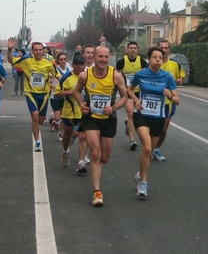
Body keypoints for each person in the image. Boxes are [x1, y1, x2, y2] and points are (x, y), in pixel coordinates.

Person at [74, 46, 128, 207]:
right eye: (100, 57)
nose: (104, 59)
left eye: (106, 57)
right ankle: (97, 192)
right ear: (94, 57)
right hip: (91, 118)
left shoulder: (116, 76)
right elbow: (76, 92)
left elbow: (125, 97)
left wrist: (114, 107)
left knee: (104, 157)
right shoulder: (85, 75)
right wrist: (81, 104)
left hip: (108, 119)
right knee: (96, 154)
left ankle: (95, 156)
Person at [128, 47, 180, 197]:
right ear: (149, 59)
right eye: (155, 57)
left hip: (158, 117)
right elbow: (130, 89)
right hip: (142, 115)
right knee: (147, 147)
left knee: (149, 153)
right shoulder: (141, 74)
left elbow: (177, 100)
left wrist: (170, 96)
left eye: (160, 58)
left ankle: (139, 174)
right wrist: (136, 100)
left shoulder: (167, 77)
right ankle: (143, 182)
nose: (158, 60)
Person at [7, 38, 59, 152]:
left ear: (44, 51)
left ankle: (41, 122)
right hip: (31, 93)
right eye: (36, 50)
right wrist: (10, 49)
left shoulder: (48, 64)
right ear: (32, 51)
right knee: (35, 117)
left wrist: (66, 85)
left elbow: (58, 75)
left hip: (44, 94)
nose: (38, 52)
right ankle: (37, 141)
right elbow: (11, 61)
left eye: (40, 50)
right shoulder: (26, 61)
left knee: (40, 120)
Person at [152, 39, 186, 161]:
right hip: (154, 100)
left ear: (169, 50)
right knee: (153, 127)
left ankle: (155, 148)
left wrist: (179, 81)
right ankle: (149, 147)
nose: (164, 50)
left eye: (166, 48)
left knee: (164, 128)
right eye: (162, 47)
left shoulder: (175, 64)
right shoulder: (152, 64)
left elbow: (180, 77)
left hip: (168, 102)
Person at [54, 55, 86, 169]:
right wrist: (70, 92)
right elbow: (57, 93)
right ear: (72, 65)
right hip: (69, 112)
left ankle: (81, 161)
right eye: (77, 64)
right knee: (67, 135)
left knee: (82, 136)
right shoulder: (66, 78)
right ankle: (65, 151)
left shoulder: (89, 76)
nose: (79, 66)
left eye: (81, 64)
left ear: (85, 65)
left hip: (83, 112)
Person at [116, 41, 147, 150]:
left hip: (139, 92)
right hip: (127, 92)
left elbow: (148, 74)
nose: (133, 50)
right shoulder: (121, 62)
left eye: (135, 48)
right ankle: (132, 140)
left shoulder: (142, 62)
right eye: (131, 48)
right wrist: (120, 87)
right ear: (127, 50)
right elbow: (115, 75)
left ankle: (128, 124)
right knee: (131, 113)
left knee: (137, 115)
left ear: (137, 50)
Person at [50, 53, 71, 140]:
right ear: (58, 61)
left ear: (67, 60)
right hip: (56, 96)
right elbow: (50, 82)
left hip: (65, 97)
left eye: (64, 59)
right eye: (61, 59)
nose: (63, 61)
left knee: (63, 116)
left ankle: (60, 133)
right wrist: (57, 87)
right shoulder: (55, 70)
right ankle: (53, 119)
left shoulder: (70, 70)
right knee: (58, 117)